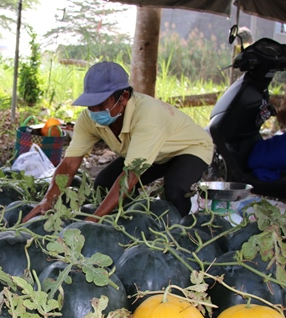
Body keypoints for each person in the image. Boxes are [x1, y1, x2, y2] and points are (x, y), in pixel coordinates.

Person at [23, 61, 213, 223]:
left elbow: (129, 177)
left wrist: (93, 220)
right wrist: (49, 199)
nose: (94, 111)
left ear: (123, 98)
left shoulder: (147, 116)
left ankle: (180, 232)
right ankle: (129, 221)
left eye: (101, 104)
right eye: (90, 105)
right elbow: (69, 163)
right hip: (152, 153)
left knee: (175, 189)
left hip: (189, 149)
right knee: (104, 182)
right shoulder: (89, 119)